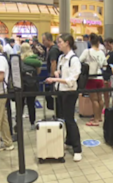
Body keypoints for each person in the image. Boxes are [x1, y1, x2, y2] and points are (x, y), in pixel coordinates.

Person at [45, 34, 82, 162]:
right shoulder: (62, 57)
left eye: (60, 42)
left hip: (70, 92)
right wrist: (57, 73)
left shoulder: (74, 59)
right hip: (61, 91)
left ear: (67, 43)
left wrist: (54, 78)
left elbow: (72, 79)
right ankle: (69, 140)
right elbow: (62, 72)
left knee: (70, 119)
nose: (58, 44)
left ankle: (77, 149)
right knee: (64, 118)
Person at [80, 33, 107, 126]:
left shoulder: (87, 51)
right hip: (100, 77)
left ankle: (95, 120)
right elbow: (104, 64)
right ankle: (99, 117)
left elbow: (80, 61)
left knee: (94, 99)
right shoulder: (101, 52)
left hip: (91, 78)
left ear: (90, 40)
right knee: (100, 98)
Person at [20, 43, 42, 130]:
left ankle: (19, 123)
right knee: (31, 104)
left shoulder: (19, 58)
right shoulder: (34, 59)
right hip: (32, 85)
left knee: (20, 104)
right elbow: (38, 72)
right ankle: (32, 123)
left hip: (21, 85)